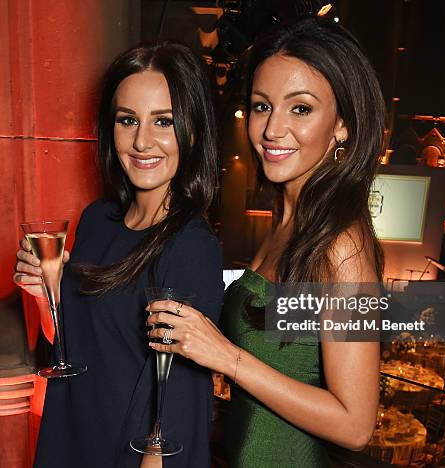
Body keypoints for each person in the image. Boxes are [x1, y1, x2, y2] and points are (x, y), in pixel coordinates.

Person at [147, 17, 385, 467]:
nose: (272, 130)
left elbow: (356, 426)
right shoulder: (288, 222)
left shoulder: (343, 245)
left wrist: (226, 356)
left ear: (343, 126)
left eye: (300, 109)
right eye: (261, 107)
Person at [13, 42, 223, 468]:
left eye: (163, 121)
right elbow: (73, 344)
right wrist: (46, 292)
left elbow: (174, 400)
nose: (142, 141)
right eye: (127, 120)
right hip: (71, 428)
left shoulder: (191, 246)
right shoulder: (96, 219)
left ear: (194, 131)